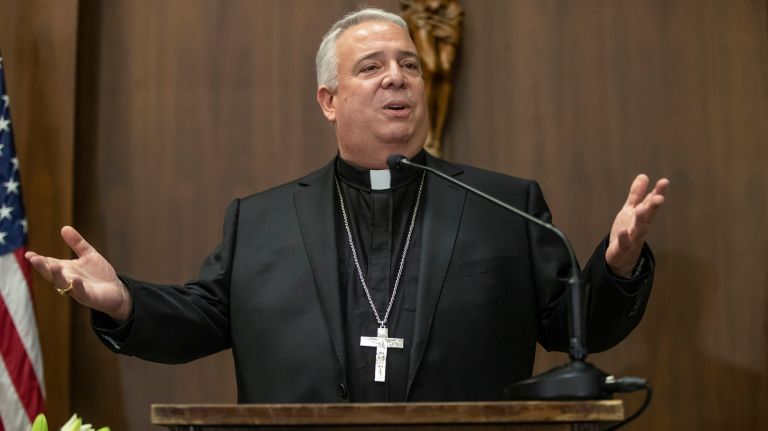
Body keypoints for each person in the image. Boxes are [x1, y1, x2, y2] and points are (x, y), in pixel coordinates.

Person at [25, 8, 669, 403]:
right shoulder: (262, 221)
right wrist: (125, 302)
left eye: (410, 64)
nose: (397, 77)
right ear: (328, 100)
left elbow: (572, 330)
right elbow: (202, 318)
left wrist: (617, 266)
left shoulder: (506, 205)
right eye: (372, 66)